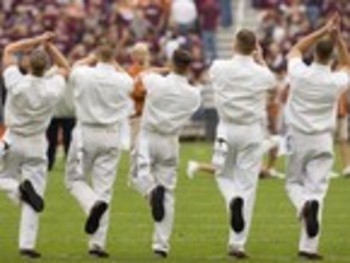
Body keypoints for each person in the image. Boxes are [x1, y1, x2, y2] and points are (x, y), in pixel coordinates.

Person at [284, 14, 350, 260]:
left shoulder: (299, 72)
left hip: (297, 136)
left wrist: (323, 30)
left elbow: (296, 48)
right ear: (331, 58)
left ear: (315, 55)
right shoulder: (335, 81)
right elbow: (347, 64)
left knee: (292, 184)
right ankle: (308, 248)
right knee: (317, 190)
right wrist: (339, 39)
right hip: (323, 139)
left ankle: (303, 206)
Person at [0, 32, 69, 258]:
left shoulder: (16, 82)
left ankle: (17, 190)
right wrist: (50, 47)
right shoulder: (52, 88)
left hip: (14, 139)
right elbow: (65, 67)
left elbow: (9, 49)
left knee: (7, 180)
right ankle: (27, 245)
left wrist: (37, 39)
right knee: (36, 193)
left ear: (28, 64)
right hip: (38, 144)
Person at [209, 29, 276, 259]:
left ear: (235, 44)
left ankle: (231, 199)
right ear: (255, 47)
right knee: (248, 186)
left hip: (226, 129)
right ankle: (237, 244)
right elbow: (273, 82)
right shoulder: (261, 73)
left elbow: (218, 74)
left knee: (222, 175)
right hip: (251, 132)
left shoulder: (218, 67)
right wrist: (261, 60)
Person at [65, 44, 134, 258]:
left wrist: (90, 58)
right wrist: (114, 62)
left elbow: (74, 67)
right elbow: (129, 80)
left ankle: (92, 204)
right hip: (111, 135)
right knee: (104, 189)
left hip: (86, 133)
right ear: (114, 57)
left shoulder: (84, 73)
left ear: (97, 56)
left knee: (73, 180)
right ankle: (97, 244)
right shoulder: (123, 80)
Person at [131, 49, 201, 258]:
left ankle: (151, 192)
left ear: (171, 62)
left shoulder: (157, 82)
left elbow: (141, 75)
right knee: (168, 193)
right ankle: (161, 245)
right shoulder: (193, 94)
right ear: (188, 67)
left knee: (136, 177)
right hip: (170, 142)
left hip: (148, 136)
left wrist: (160, 69)